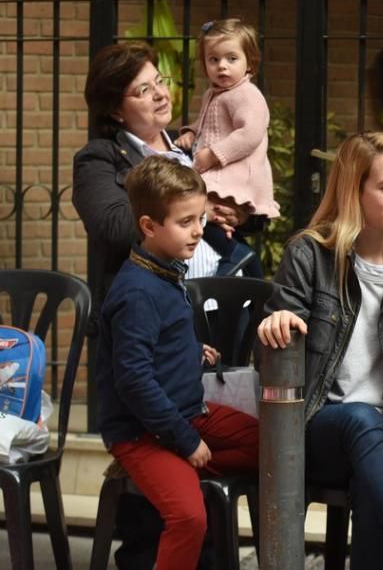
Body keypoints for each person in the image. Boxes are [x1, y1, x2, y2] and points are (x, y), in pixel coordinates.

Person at [73, 41, 257, 568]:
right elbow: (112, 226)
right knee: (167, 511)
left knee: (247, 447)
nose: (159, 94)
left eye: (160, 81)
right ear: (114, 108)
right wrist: (173, 204)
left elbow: (246, 208)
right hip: (147, 339)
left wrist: (217, 214)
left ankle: (205, 543)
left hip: (190, 324)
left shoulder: (189, 146)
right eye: (142, 89)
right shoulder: (103, 158)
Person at [257, 131, 383, 570]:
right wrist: (276, 324)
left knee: (378, 477)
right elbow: (275, 355)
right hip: (323, 430)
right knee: (361, 419)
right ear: (355, 190)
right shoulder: (310, 256)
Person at [95, 155, 259, 570]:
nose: (199, 230)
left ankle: (183, 465)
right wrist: (185, 442)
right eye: (185, 221)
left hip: (186, 414)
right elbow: (133, 379)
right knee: (188, 517)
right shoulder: (137, 292)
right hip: (141, 432)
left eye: (200, 218)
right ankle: (178, 465)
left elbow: (158, 342)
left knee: (270, 445)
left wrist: (190, 350)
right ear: (149, 227)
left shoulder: (166, 272)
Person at [174, 18, 279, 277]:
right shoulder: (214, 94)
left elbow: (250, 133)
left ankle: (237, 258)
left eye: (232, 59)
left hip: (235, 176)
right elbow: (208, 125)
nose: (222, 66)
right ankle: (239, 259)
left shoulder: (247, 94)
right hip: (220, 176)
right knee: (213, 221)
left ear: (249, 63)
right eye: (214, 59)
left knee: (206, 217)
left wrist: (213, 155)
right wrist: (191, 132)